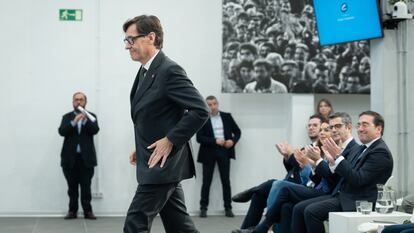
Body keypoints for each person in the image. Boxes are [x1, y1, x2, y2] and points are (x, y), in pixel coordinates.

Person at [122, 15, 209, 233]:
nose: (127, 46)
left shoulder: (169, 70)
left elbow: (200, 110)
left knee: (135, 223)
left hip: (162, 165)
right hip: (156, 160)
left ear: (150, 37)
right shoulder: (145, 71)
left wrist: (170, 140)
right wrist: (141, 146)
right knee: (179, 226)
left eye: (131, 40)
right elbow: (155, 116)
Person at [297, 111, 394, 233]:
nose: (360, 129)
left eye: (365, 125)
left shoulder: (380, 152)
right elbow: (346, 174)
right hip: (343, 194)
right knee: (299, 207)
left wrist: (337, 157)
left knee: (311, 211)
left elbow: (358, 180)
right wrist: (333, 162)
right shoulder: (365, 148)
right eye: (358, 125)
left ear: (378, 129)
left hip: (358, 200)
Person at [197, 95, 241, 218]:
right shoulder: (202, 118)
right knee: (206, 181)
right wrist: (215, 140)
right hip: (208, 152)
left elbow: (238, 132)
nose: (212, 107)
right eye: (209, 105)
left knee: (225, 181)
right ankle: (203, 208)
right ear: (206, 106)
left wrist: (232, 141)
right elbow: (199, 138)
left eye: (214, 104)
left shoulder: (227, 116)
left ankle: (228, 208)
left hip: (224, 152)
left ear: (218, 104)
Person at [58, 92, 99, 220]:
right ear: (73, 102)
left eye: (81, 100)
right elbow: (62, 131)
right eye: (76, 100)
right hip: (70, 159)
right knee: (72, 187)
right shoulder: (67, 117)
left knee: (86, 187)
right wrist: (74, 122)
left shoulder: (91, 116)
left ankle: (88, 211)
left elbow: (95, 130)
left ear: (85, 102)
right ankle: (72, 211)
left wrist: (86, 120)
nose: (79, 102)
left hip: (86, 159)